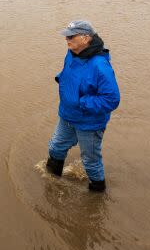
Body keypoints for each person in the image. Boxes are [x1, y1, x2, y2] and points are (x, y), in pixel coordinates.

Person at [46, 20, 120, 192]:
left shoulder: (100, 66)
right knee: (55, 147)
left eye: (71, 36)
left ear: (86, 38)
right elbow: (67, 72)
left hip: (89, 122)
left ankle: (97, 195)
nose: (67, 39)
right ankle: (50, 183)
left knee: (90, 161)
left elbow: (111, 99)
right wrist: (61, 79)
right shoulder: (71, 53)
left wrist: (82, 103)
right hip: (67, 115)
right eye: (66, 36)